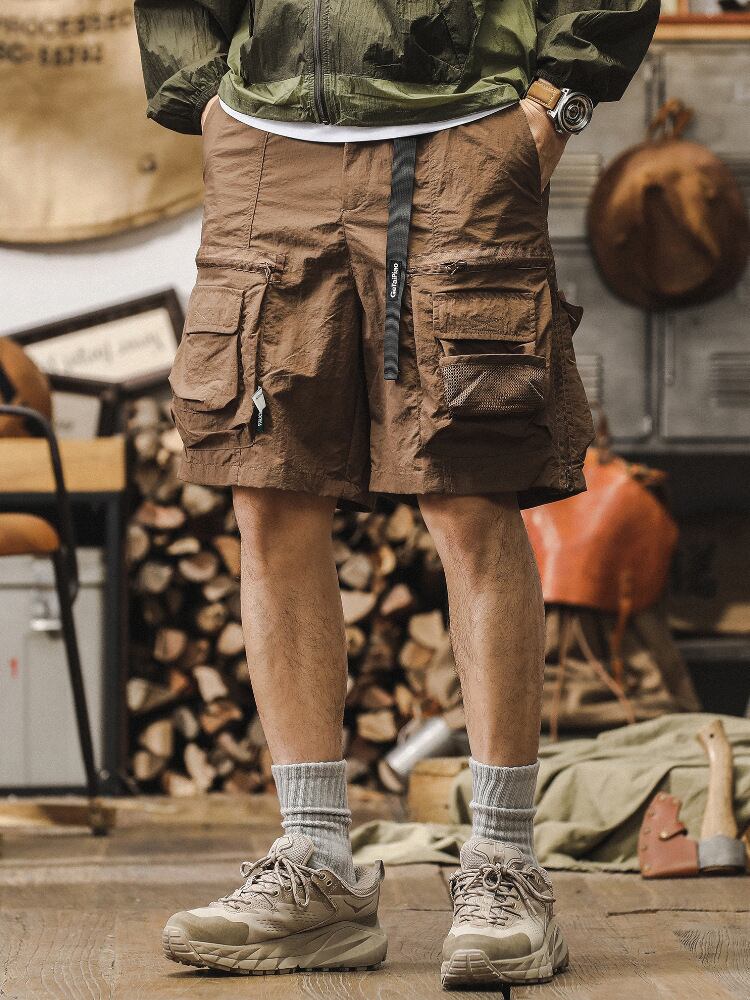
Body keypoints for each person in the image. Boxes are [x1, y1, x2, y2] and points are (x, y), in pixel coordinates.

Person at [136, 0, 658, 987]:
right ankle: (316, 865)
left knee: (469, 492)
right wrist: (203, 95)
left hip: (460, 132)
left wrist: (559, 98)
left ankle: (504, 862)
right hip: (265, 144)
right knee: (268, 493)